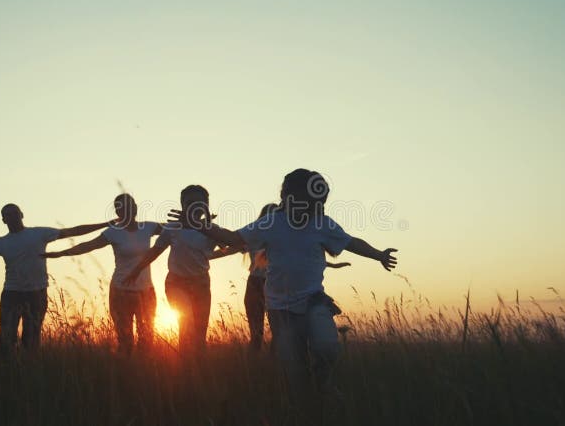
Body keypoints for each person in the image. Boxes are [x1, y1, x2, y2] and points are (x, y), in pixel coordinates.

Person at [169, 169, 397, 404]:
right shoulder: (271, 223)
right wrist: (200, 226)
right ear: (289, 196)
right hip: (280, 308)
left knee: (327, 346)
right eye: (308, 197)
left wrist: (378, 254)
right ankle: (305, 408)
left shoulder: (321, 223)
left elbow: (350, 242)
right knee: (293, 369)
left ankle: (323, 382)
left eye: (317, 199)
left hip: (314, 300)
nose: (313, 204)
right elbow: (234, 239)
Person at [0, 203, 110, 357]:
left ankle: (29, 376)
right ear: (3, 220)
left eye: (14, 212)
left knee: (31, 341)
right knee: (6, 341)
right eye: (7, 214)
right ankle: (7, 376)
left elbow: (73, 231)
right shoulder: (0, 242)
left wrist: (106, 224)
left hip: (36, 294)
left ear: (21, 214)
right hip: (11, 295)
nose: (11, 216)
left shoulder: (39, 234)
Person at [214, 202, 352, 351]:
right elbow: (230, 249)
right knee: (256, 334)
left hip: (278, 286)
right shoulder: (256, 237)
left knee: (280, 336)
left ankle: (277, 368)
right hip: (256, 284)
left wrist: (328, 264)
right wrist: (206, 256)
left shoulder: (283, 237)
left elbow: (301, 258)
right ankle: (255, 369)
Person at [42, 194, 162, 354]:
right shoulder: (113, 232)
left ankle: (144, 374)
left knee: (147, 339)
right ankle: (125, 374)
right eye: (121, 207)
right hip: (120, 292)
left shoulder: (148, 227)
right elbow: (89, 245)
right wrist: (62, 253)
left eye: (129, 205)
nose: (126, 210)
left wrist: (201, 222)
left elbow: (177, 228)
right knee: (125, 341)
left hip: (146, 291)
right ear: (117, 212)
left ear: (135, 208)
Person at [123, 185, 222, 353]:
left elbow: (229, 245)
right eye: (190, 202)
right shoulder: (173, 228)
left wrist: (207, 225)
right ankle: (185, 365)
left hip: (202, 284)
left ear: (206, 205)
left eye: (200, 203)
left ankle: (198, 370)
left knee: (200, 333)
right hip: (177, 283)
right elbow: (155, 251)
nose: (194, 207)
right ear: (182, 205)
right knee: (186, 322)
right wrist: (136, 270)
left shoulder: (211, 229)